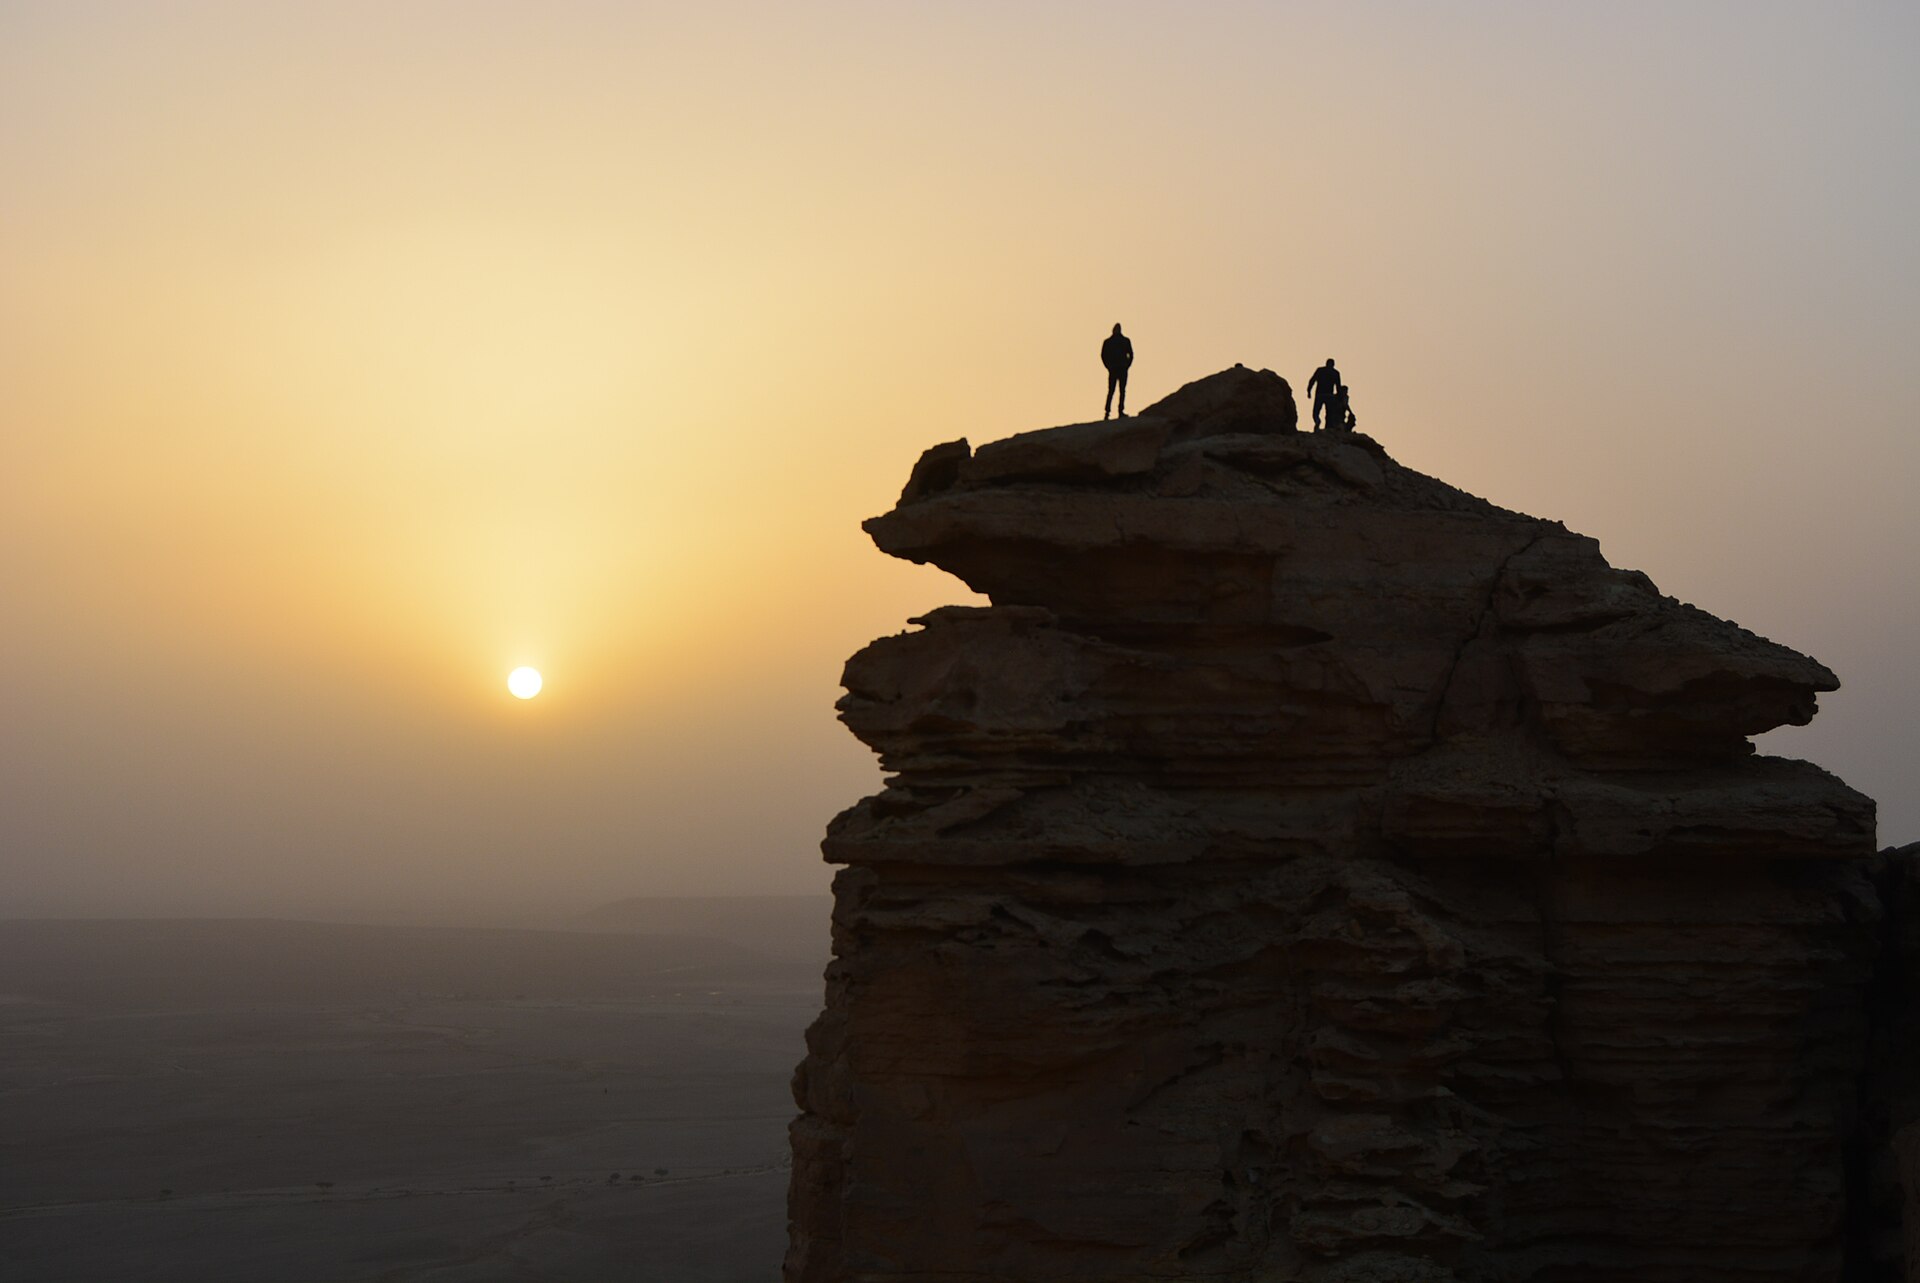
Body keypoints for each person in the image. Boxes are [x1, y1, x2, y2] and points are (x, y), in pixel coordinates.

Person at [1101, 324, 1133, 419]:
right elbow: (1103, 355)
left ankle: (1112, 412)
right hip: (1117, 368)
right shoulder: (1122, 341)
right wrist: (1109, 366)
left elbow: (1131, 355)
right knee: (1116, 390)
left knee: (1115, 390)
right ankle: (1113, 411)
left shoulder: (1110, 342)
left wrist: (1126, 365)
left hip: (1117, 368)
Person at [1305, 358, 1341, 431]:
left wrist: (1309, 391)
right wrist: (1338, 396)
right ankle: (1328, 428)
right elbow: (1338, 386)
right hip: (1329, 395)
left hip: (1320, 394)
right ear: (1333, 365)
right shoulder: (1335, 373)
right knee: (1329, 412)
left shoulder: (1320, 370)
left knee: (1316, 412)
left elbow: (1312, 380)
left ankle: (1318, 421)